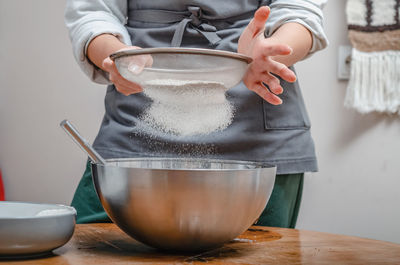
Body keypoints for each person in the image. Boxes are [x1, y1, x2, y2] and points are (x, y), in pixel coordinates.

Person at [65, 0, 328, 227]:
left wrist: (271, 54)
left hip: (257, 133)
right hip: (136, 124)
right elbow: (93, 11)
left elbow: (300, 9)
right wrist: (116, 56)